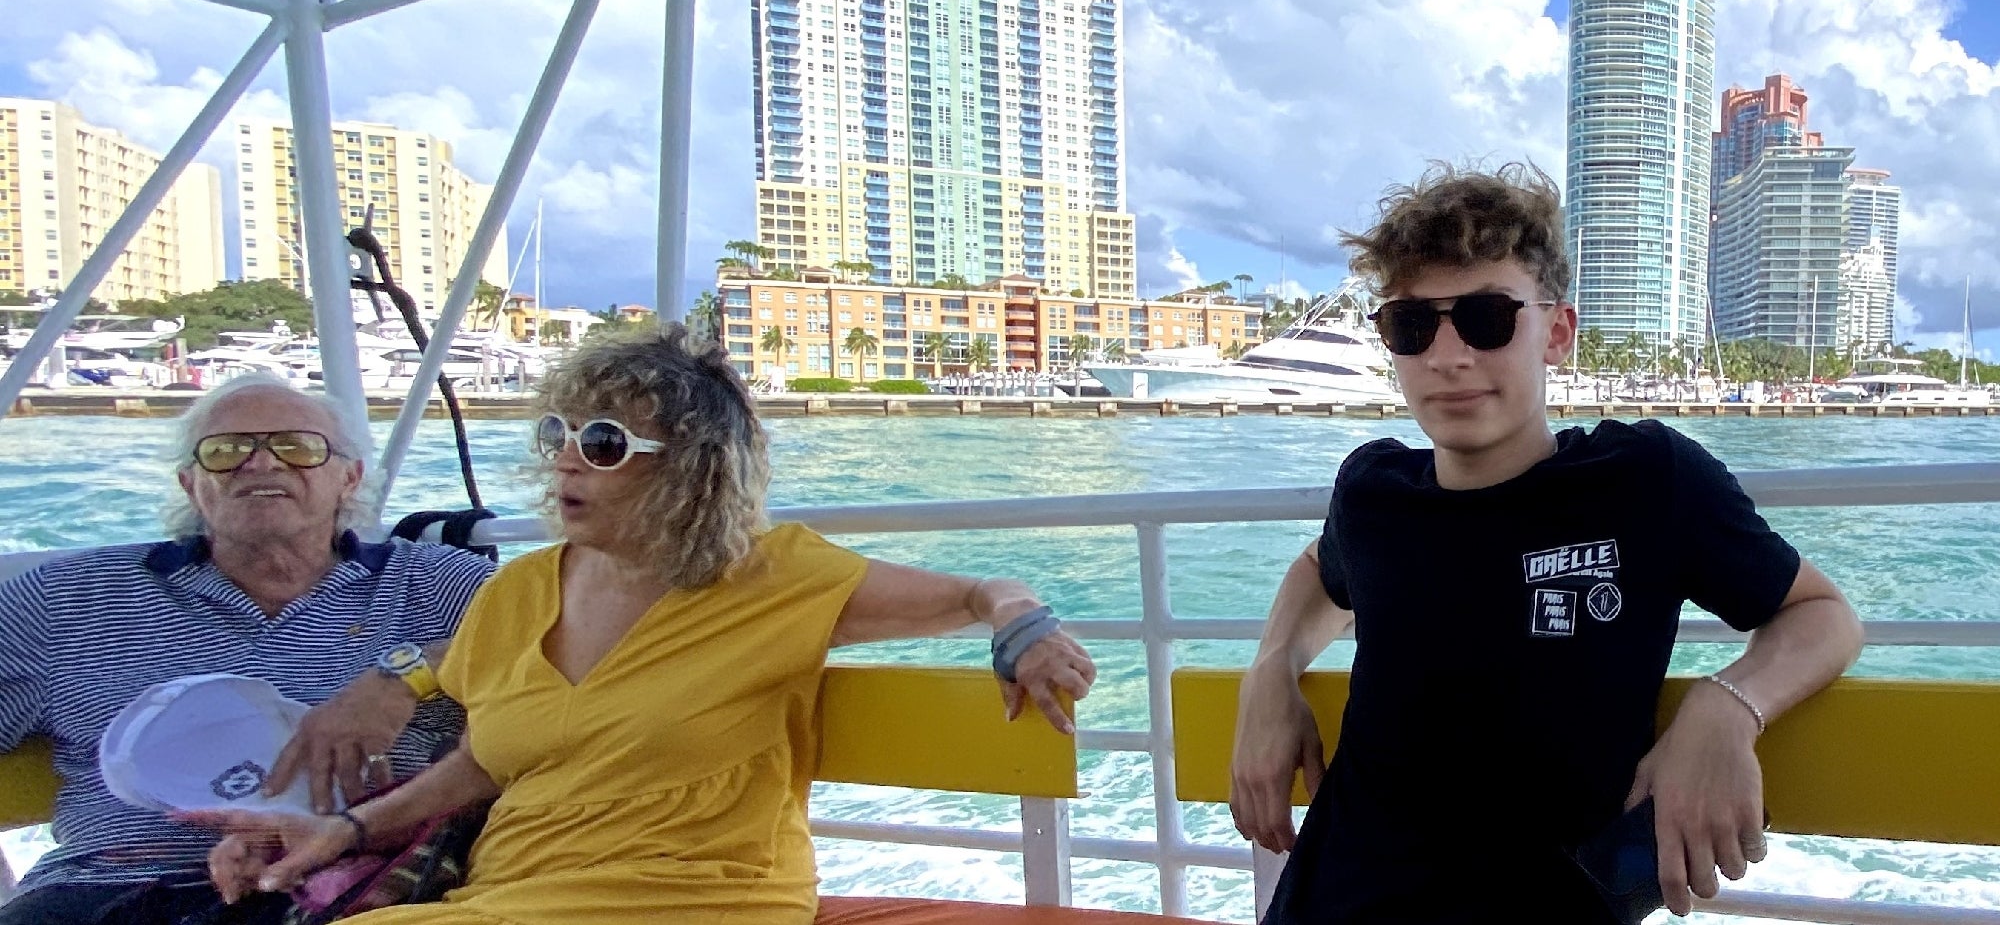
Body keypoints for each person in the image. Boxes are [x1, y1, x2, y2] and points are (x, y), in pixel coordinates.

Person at [194, 325, 1096, 925]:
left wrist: (1022, 625)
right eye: (559, 434)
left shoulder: (776, 576)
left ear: (692, 470)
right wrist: (350, 830)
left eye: (604, 444)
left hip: (701, 897)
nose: (566, 461)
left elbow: (977, 591)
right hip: (510, 895)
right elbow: (486, 761)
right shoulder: (516, 591)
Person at [1229, 164, 1863, 923]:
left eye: (1487, 317)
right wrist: (1271, 671)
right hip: (1333, 901)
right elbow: (1321, 570)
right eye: (1412, 325)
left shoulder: (1644, 481)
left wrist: (1727, 705)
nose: (1448, 356)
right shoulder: (1373, 493)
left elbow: (1822, 614)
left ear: (1556, 332)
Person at [0, 374, 495, 925]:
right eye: (226, 450)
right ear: (190, 483)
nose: (260, 463)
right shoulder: (69, 598)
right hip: (109, 883)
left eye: (297, 447)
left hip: (359, 881)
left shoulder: (443, 586)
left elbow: (564, 669)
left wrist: (406, 675)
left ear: (349, 478)